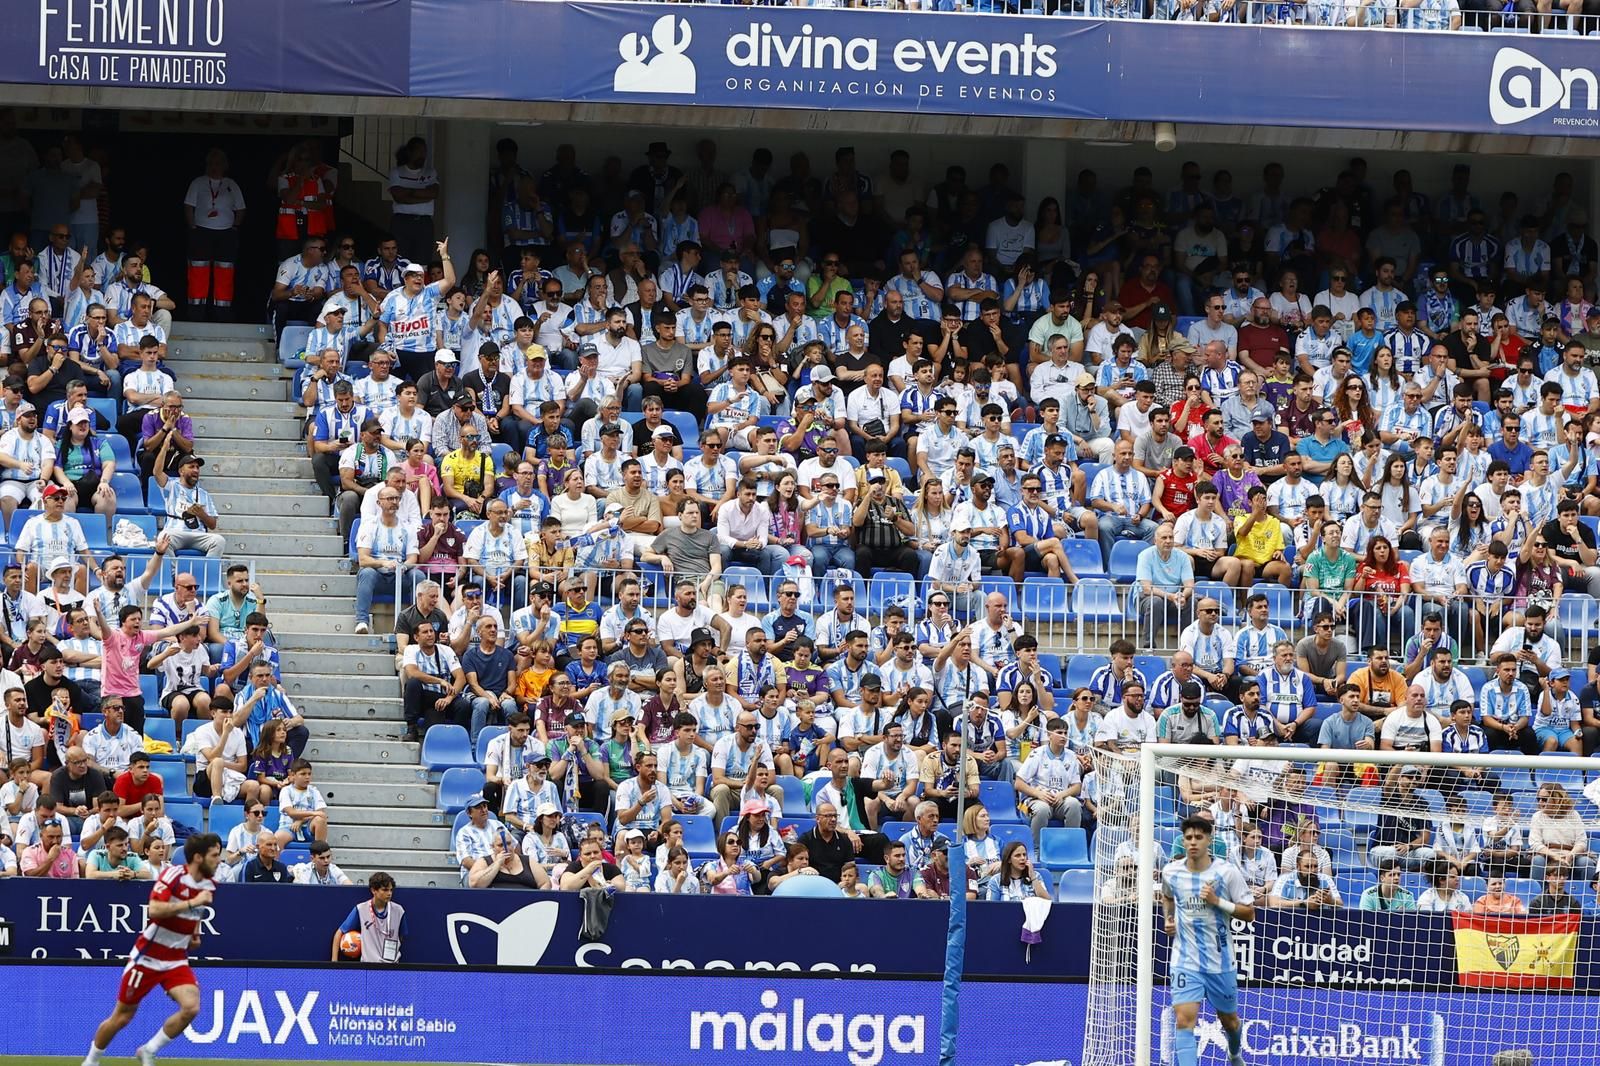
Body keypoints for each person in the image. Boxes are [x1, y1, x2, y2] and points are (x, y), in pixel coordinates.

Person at [80, 832, 222, 1066]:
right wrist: (192, 903)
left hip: (176, 958)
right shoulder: (174, 875)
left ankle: (149, 1050)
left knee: (191, 1007)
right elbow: (154, 911)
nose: (219, 860)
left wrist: (195, 933)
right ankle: (91, 1061)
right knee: (122, 1017)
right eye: (215, 855)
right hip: (148, 955)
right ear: (198, 857)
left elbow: (197, 914)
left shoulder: (210, 884)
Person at [1162, 817, 1252, 1066]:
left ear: (1209, 840)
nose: (1193, 843)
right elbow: (1166, 896)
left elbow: (1249, 912)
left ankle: (1234, 1054)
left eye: (1198, 837)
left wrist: (1217, 901)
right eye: (1188, 838)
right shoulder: (1172, 872)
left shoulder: (1226, 873)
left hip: (1219, 961)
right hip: (1185, 958)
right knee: (1184, 1020)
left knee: (1229, 1021)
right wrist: (1169, 918)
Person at [334, 871, 407, 963]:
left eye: (391, 890)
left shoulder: (399, 910)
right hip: (368, 967)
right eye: (385, 890)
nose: (389, 893)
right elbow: (339, 933)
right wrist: (334, 964)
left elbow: (401, 936)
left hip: (392, 966)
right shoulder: (361, 909)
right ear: (373, 890)